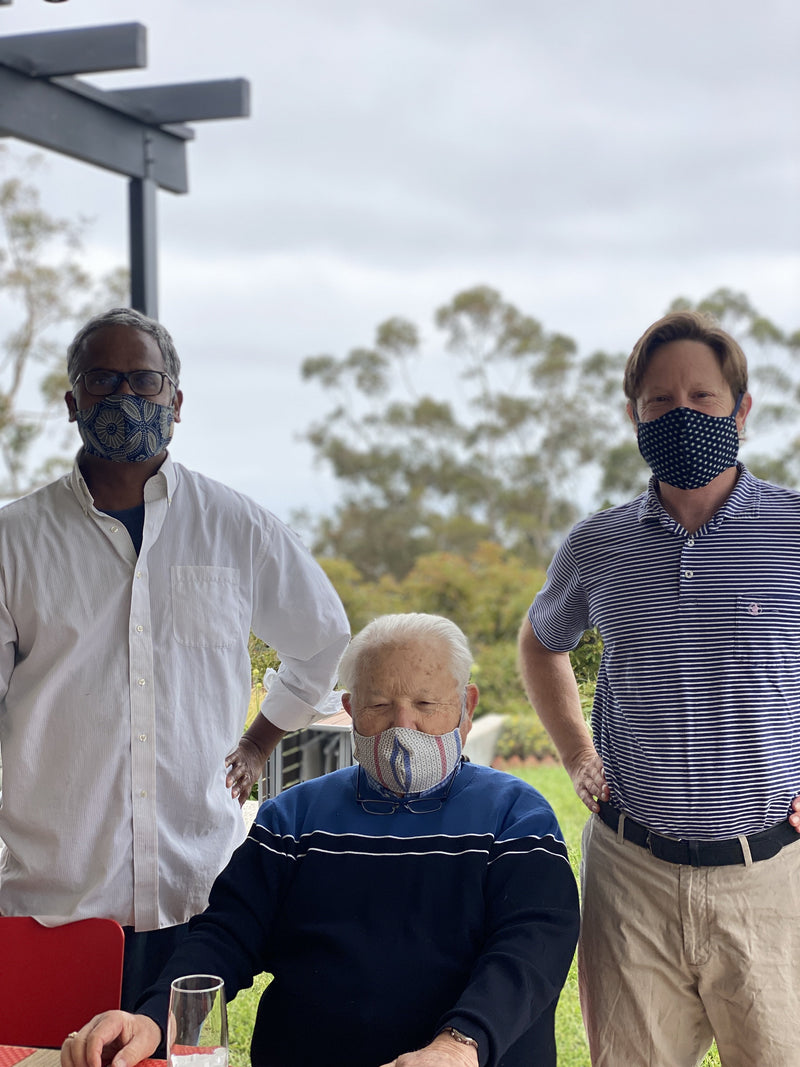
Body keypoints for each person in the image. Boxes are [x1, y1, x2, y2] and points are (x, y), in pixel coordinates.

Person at [0, 307, 350, 1010]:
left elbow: (323, 638)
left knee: (184, 1058)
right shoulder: (15, 539)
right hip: (55, 897)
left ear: (177, 401)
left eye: (145, 380)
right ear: (72, 401)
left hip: (196, 896)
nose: (126, 397)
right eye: (103, 379)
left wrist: (258, 740)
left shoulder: (236, 526)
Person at [61, 613, 580, 1067]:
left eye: (426, 703)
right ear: (351, 709)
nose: (405, 727)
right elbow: (226, 934)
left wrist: (458, 1045)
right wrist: (154, 1019)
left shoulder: (516, 814)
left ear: (465, 706)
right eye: (380, 705)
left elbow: (532, 947)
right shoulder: (293, 815)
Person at [518, 309, 800, 1066]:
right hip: (630, 876)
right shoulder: (596, 544)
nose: (682, 415)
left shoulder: (794, 531)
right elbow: (541, 643)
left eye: (702, 399)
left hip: (771, 877)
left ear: (741, 409)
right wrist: (577, 751)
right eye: (659, 402)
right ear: (634, 416)